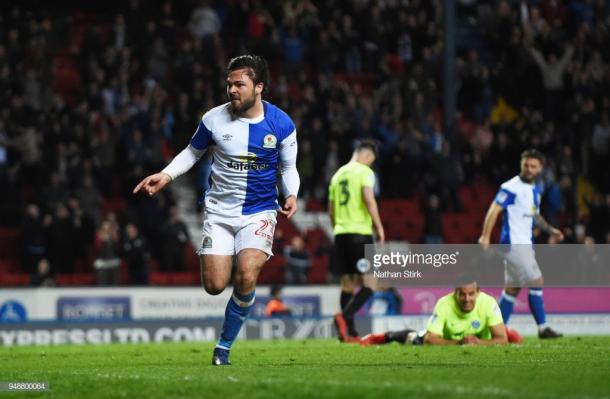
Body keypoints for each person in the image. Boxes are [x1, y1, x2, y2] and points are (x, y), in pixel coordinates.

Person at [133, 54, 299, 365]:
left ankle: (223, 346)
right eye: (229, 84)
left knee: (247, 274)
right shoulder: (213, 119)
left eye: (240, 84)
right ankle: (226, 328)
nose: (232, 90)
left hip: (259, 211)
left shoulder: (282, 124)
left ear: (259, 87)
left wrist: (292, 193)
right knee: (214, 286)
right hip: (219, 213)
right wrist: (166, 175)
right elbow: (191, 152)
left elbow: (289, 168)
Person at [478, 149, 564, 338]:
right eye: (526, 165)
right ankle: (543, 328)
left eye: (533, 166)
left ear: (540, 168)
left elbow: (535, 215)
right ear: (521, 164)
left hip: (525, 244)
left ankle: (495, 331)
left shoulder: (535, 189)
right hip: (513, 244)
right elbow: (494, 211)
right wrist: (485, 236)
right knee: (537, 280)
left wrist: (551, 230)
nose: (529, 169)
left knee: (512, 289)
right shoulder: (510, 187)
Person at [328, 139, 385, 342]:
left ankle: (349, 333)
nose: (370, 164)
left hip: (340, 234)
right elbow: (368, 199)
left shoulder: (337, 175)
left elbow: (331, 210)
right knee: (371, 283)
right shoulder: (364, 172)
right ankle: (344, 317)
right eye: (371, 160)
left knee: (348, 284)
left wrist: (339, 227)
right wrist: (378, 227)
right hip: (360, 233)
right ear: (367, 155)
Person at [360, 280, 508, 346]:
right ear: (455, 292)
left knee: (506, 334)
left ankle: (511, 332)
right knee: (417, 339)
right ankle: (386, 336)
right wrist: (460, 343)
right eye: (462, 294)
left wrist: (478, 343)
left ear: (478, 292)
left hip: (477, 339)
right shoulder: (444, 303)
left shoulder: (488, 303)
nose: (467, 299)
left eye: (471, 294)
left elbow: (502, 339)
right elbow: (430, 340)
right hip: (449, 339)